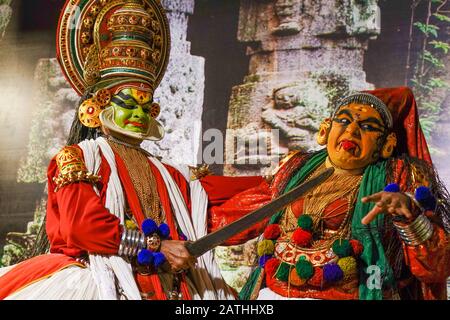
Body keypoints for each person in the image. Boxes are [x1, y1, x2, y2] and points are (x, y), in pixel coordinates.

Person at [0, 0, 237, 300]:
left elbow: (221, 201)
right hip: (97, 278)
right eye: (128, 105)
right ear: (97, 106)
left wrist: (293, 173)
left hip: (164, 284)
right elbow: (82, 225)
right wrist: (157, 246)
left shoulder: (169, 175)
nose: (139, 115)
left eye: (145, 107)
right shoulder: (76, 158)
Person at [201, 87, 450, 300]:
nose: (351, 132)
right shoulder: (296, 168)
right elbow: (238, 216)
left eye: (367, 126)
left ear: (386, 145)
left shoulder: (399, 176)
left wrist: (410, 216)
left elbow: (436, 266)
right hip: (276, 294)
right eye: (344, 121)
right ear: (325, 130)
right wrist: (179, 204)